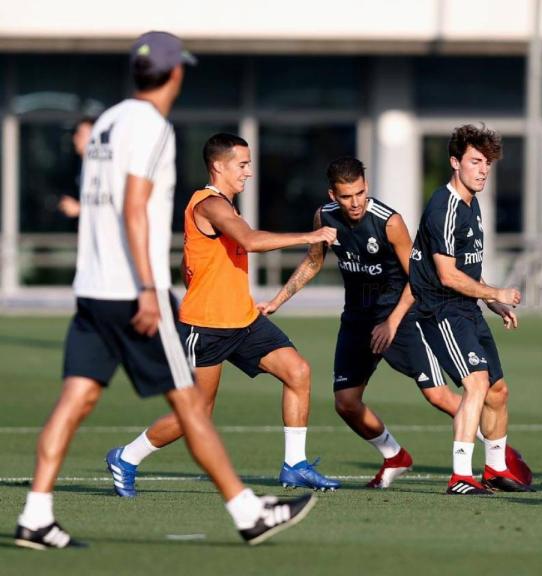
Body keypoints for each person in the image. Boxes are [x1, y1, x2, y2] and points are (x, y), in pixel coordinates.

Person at [14, 31, 315, 550]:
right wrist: (149, 288)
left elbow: (101, 202)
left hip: (94, 289)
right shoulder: (153, 126)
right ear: (175, 73)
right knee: (192, 409)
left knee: (77, 398)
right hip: (135, 292)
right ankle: (248, 513)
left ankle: (36, 515)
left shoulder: (107, 122)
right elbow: (134, 208)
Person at [258, 156, 531, 489]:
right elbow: (313, 262)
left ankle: (497, 450)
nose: (355, 202)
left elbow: (418, 276)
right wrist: (277, 300)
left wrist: (392, 322)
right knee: (346, 403)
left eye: (360, 193)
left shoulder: (389, 222)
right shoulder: (324, 218)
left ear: (366, 187)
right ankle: (395, 455)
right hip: (357, 320)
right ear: (333, 195)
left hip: (402, 317)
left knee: (439, 396)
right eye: (346, 196)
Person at [104, 133, 340, 496]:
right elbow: (250, 241)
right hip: (206, 327)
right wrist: (310, 236)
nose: (249, 172)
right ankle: (126, 457)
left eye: (249, 164)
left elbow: (189, 262)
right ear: (218, 166)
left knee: (298, 371)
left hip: (243, 320)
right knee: (196, 414)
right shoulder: (210, 204)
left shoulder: (225, 206)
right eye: (242, 165)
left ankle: (295, 465)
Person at [409, 124, 530, 495]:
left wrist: (492, 302)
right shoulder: (443, 208)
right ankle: (460, 476)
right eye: (476, 161)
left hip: (467, 308)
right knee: (476, 383)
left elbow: (467, 269)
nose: (483, 170)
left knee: (498, 390)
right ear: (454, 162)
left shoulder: (471, 203)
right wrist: (496, 291)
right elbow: (447, 275)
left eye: (487, 163)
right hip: (441, 310)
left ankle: (495, 469)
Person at [56, 116, 95, 219]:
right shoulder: (78, 165)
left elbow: (111, 205)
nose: (75, 139)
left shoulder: (103, 169)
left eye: (80, 135)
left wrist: (79, 209)